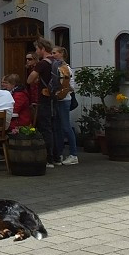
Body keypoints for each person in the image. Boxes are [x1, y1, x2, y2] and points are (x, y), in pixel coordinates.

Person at [32, 38, 59, 166]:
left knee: (45, 128)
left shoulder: (42, 63)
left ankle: (49, 158)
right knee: (55, 128)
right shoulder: (58, 61)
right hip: (57, 97)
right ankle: (57, 157)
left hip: (44, 98)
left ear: (43, 49)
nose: (36, 51)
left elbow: (29, 79)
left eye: (37, 48)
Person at [52, 46, 79, 165]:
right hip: (58, 99)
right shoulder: (56, 67)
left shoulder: (66, 68)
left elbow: (71, 86)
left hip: (64, 100)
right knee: (58, 127)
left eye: (55, 53)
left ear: (61, 53)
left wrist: (62, 91)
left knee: (66, 127)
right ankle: (59, 153)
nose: (53, 55)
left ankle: (74, 154)